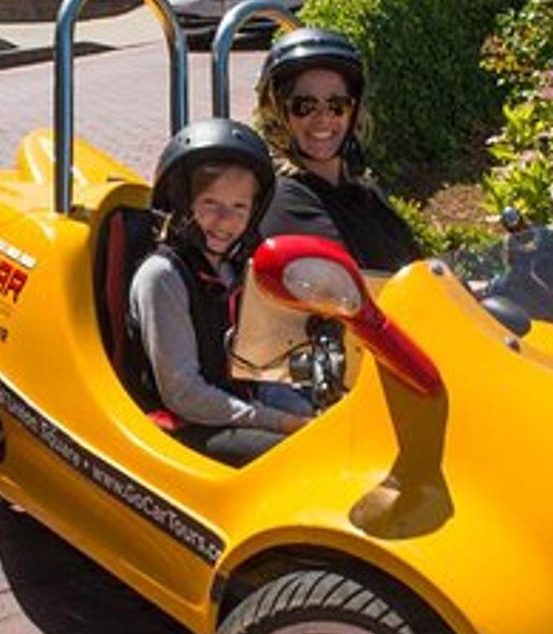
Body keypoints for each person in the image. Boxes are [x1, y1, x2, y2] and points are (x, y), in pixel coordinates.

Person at [128, 120, 309, 465]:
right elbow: (183, 394)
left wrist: (307, 414)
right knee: (294, 462)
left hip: (235, 412)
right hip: (182, 423)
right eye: (211, 204)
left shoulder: (234, 269)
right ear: (184, 203)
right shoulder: (163, 277)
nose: (225, 221)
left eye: (239, 208)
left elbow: (261, 370)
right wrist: (281, 422)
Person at [254, 28, 421, 272]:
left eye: (337, 105)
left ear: (353, 111)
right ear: (280, 114)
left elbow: (418, 273)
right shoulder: (284, 201)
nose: (323, 118)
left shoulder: (365, 194)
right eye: (305, 105)